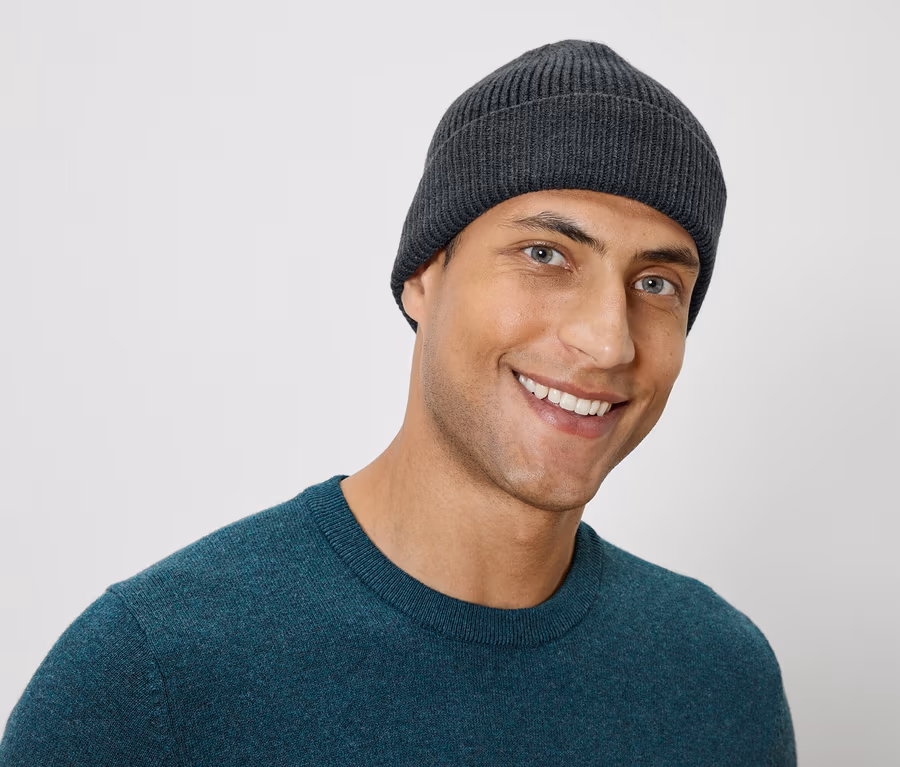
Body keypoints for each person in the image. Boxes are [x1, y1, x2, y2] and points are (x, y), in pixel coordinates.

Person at [0, 39, 797, 765]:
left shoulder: (720, 678)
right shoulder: (151, 676)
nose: (608, 339)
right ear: (423, 274)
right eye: (545, 253)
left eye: (656, 283)